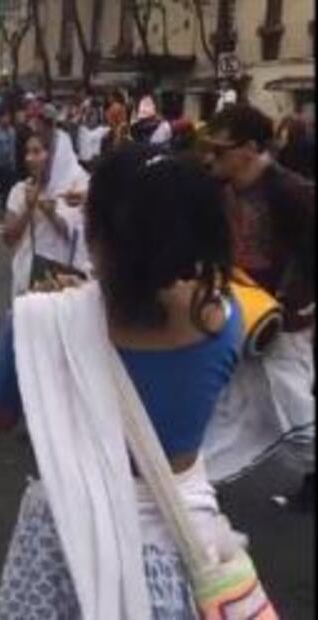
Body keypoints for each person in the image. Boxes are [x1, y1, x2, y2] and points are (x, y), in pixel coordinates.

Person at [0, 144, 251, 618]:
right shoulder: (224, 320)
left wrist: (65, 317)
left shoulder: (42, 319)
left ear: (98, 235)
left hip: (65, 546)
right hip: (178, 542)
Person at [202, 104, 315, 510]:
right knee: (233, 398)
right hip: (242, 311)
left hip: (284, 318)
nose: (210, 157)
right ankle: (196, 480)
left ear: (249, 149)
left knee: (291, 401)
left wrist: (300, 305)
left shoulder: (289, 191)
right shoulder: (221, 188)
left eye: (220, 149)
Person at [2, 122, 91, 298]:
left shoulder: (73, 192)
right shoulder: (20, 190)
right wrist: (28, 209)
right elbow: (8, 239)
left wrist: (50, 213)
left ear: (54, 156)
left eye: (36, 152)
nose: (29, 158)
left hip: (62, 280)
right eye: (27, 152)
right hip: (26, 277)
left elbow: (76, 235)